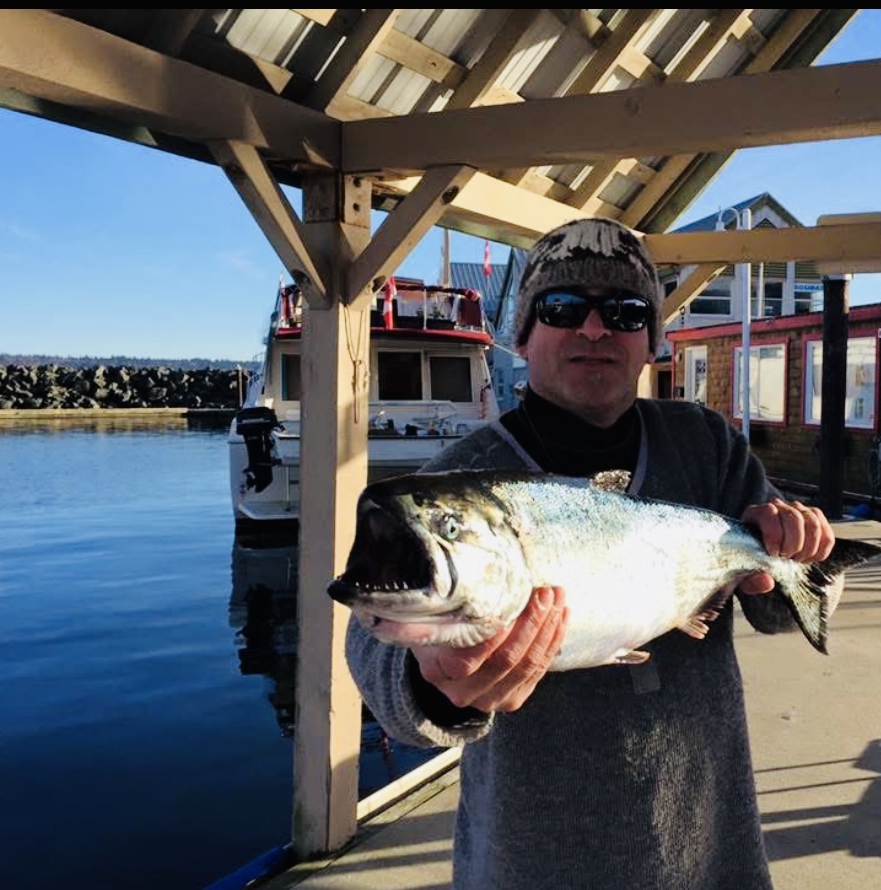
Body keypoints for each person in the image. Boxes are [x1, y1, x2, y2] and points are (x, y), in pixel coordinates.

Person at [346, 217, 836, 889]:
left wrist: (799, 553)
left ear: (650, 343)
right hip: (530, 858)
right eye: (563, 307)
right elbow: (370, 641)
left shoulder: (703, 443)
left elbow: (779, 605)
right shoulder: (460, 478)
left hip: (705, 841)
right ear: (523, 334)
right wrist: (433, 689)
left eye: (625, 311)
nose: (595, 329)